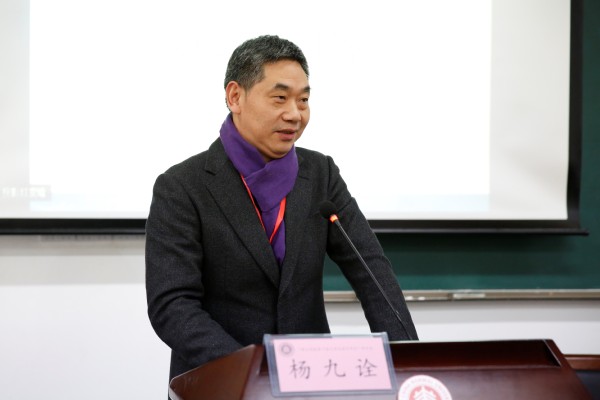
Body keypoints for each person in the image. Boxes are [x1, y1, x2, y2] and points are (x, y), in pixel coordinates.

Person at [145, 34, 418, 383]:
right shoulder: (182, 186)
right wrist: (252, 372)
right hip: (221, 382)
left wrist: (410, 362)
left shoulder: (320, 174)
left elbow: (372, 271)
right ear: (235, 96)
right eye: (280, 98)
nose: (294, 114)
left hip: (310, 379)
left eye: (303, 100)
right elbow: (172, 305)